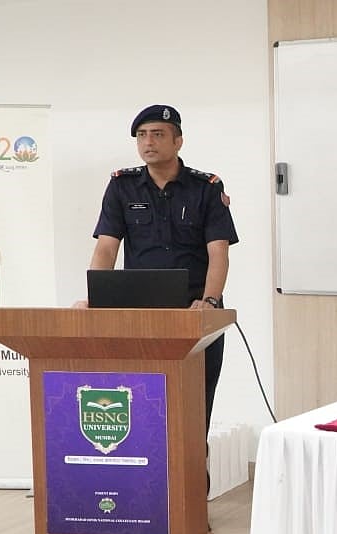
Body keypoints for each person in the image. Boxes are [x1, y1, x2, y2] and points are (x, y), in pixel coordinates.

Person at [86, 103, 238, 439]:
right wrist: (94, 298)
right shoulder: (122, 186)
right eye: (142, 136)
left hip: (193, 310)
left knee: (197, 398)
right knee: (140, 395)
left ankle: (196, 476)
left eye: (158, 134)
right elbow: (106, 247)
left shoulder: (206, 188)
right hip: (139, 310)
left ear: (178, 141)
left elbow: (219, 253)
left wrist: (210, 302)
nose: (148, 142)